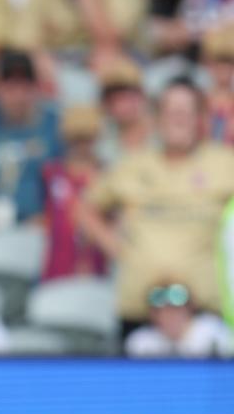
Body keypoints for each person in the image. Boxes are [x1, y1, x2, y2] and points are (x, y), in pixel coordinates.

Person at [80, 79, 234, 335]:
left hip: (205, 316)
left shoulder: (224, 163)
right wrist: (115, 246)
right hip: (139, 314)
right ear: (157, 118)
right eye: (171, 111)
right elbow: (86, 207)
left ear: (200, 118)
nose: (178, 119)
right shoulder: (132, 165)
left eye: (185, 112)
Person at [0, 51, 62, 229]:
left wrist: (47, 221)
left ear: (36, 88)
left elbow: (69, 185)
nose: (18, 96)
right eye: (10, 88)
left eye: (24, 87)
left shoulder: (55, 128)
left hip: (44, 227)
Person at [40, 104, 107, 281]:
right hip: (57, 264)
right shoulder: (51, 173)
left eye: (87, 138)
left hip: (96, 265)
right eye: (76, 139)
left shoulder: (106, 176)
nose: (82, 146)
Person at [125, 281, 232, 358]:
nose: (170, 317)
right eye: (164, 312)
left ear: (190, 310)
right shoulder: (141, 342)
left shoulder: (212, 332)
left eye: (176, 311)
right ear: (153, 316)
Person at [95, 57, 152, 165]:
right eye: (116, 98)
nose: (124, 104)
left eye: (130, 96)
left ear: (142, 96)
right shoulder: (100, 141)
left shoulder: (161, 136)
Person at [202, 24, 234, 144]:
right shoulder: (200, 101)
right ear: (209, 64)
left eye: (228, 62)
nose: (223, 69)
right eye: (219, 62)